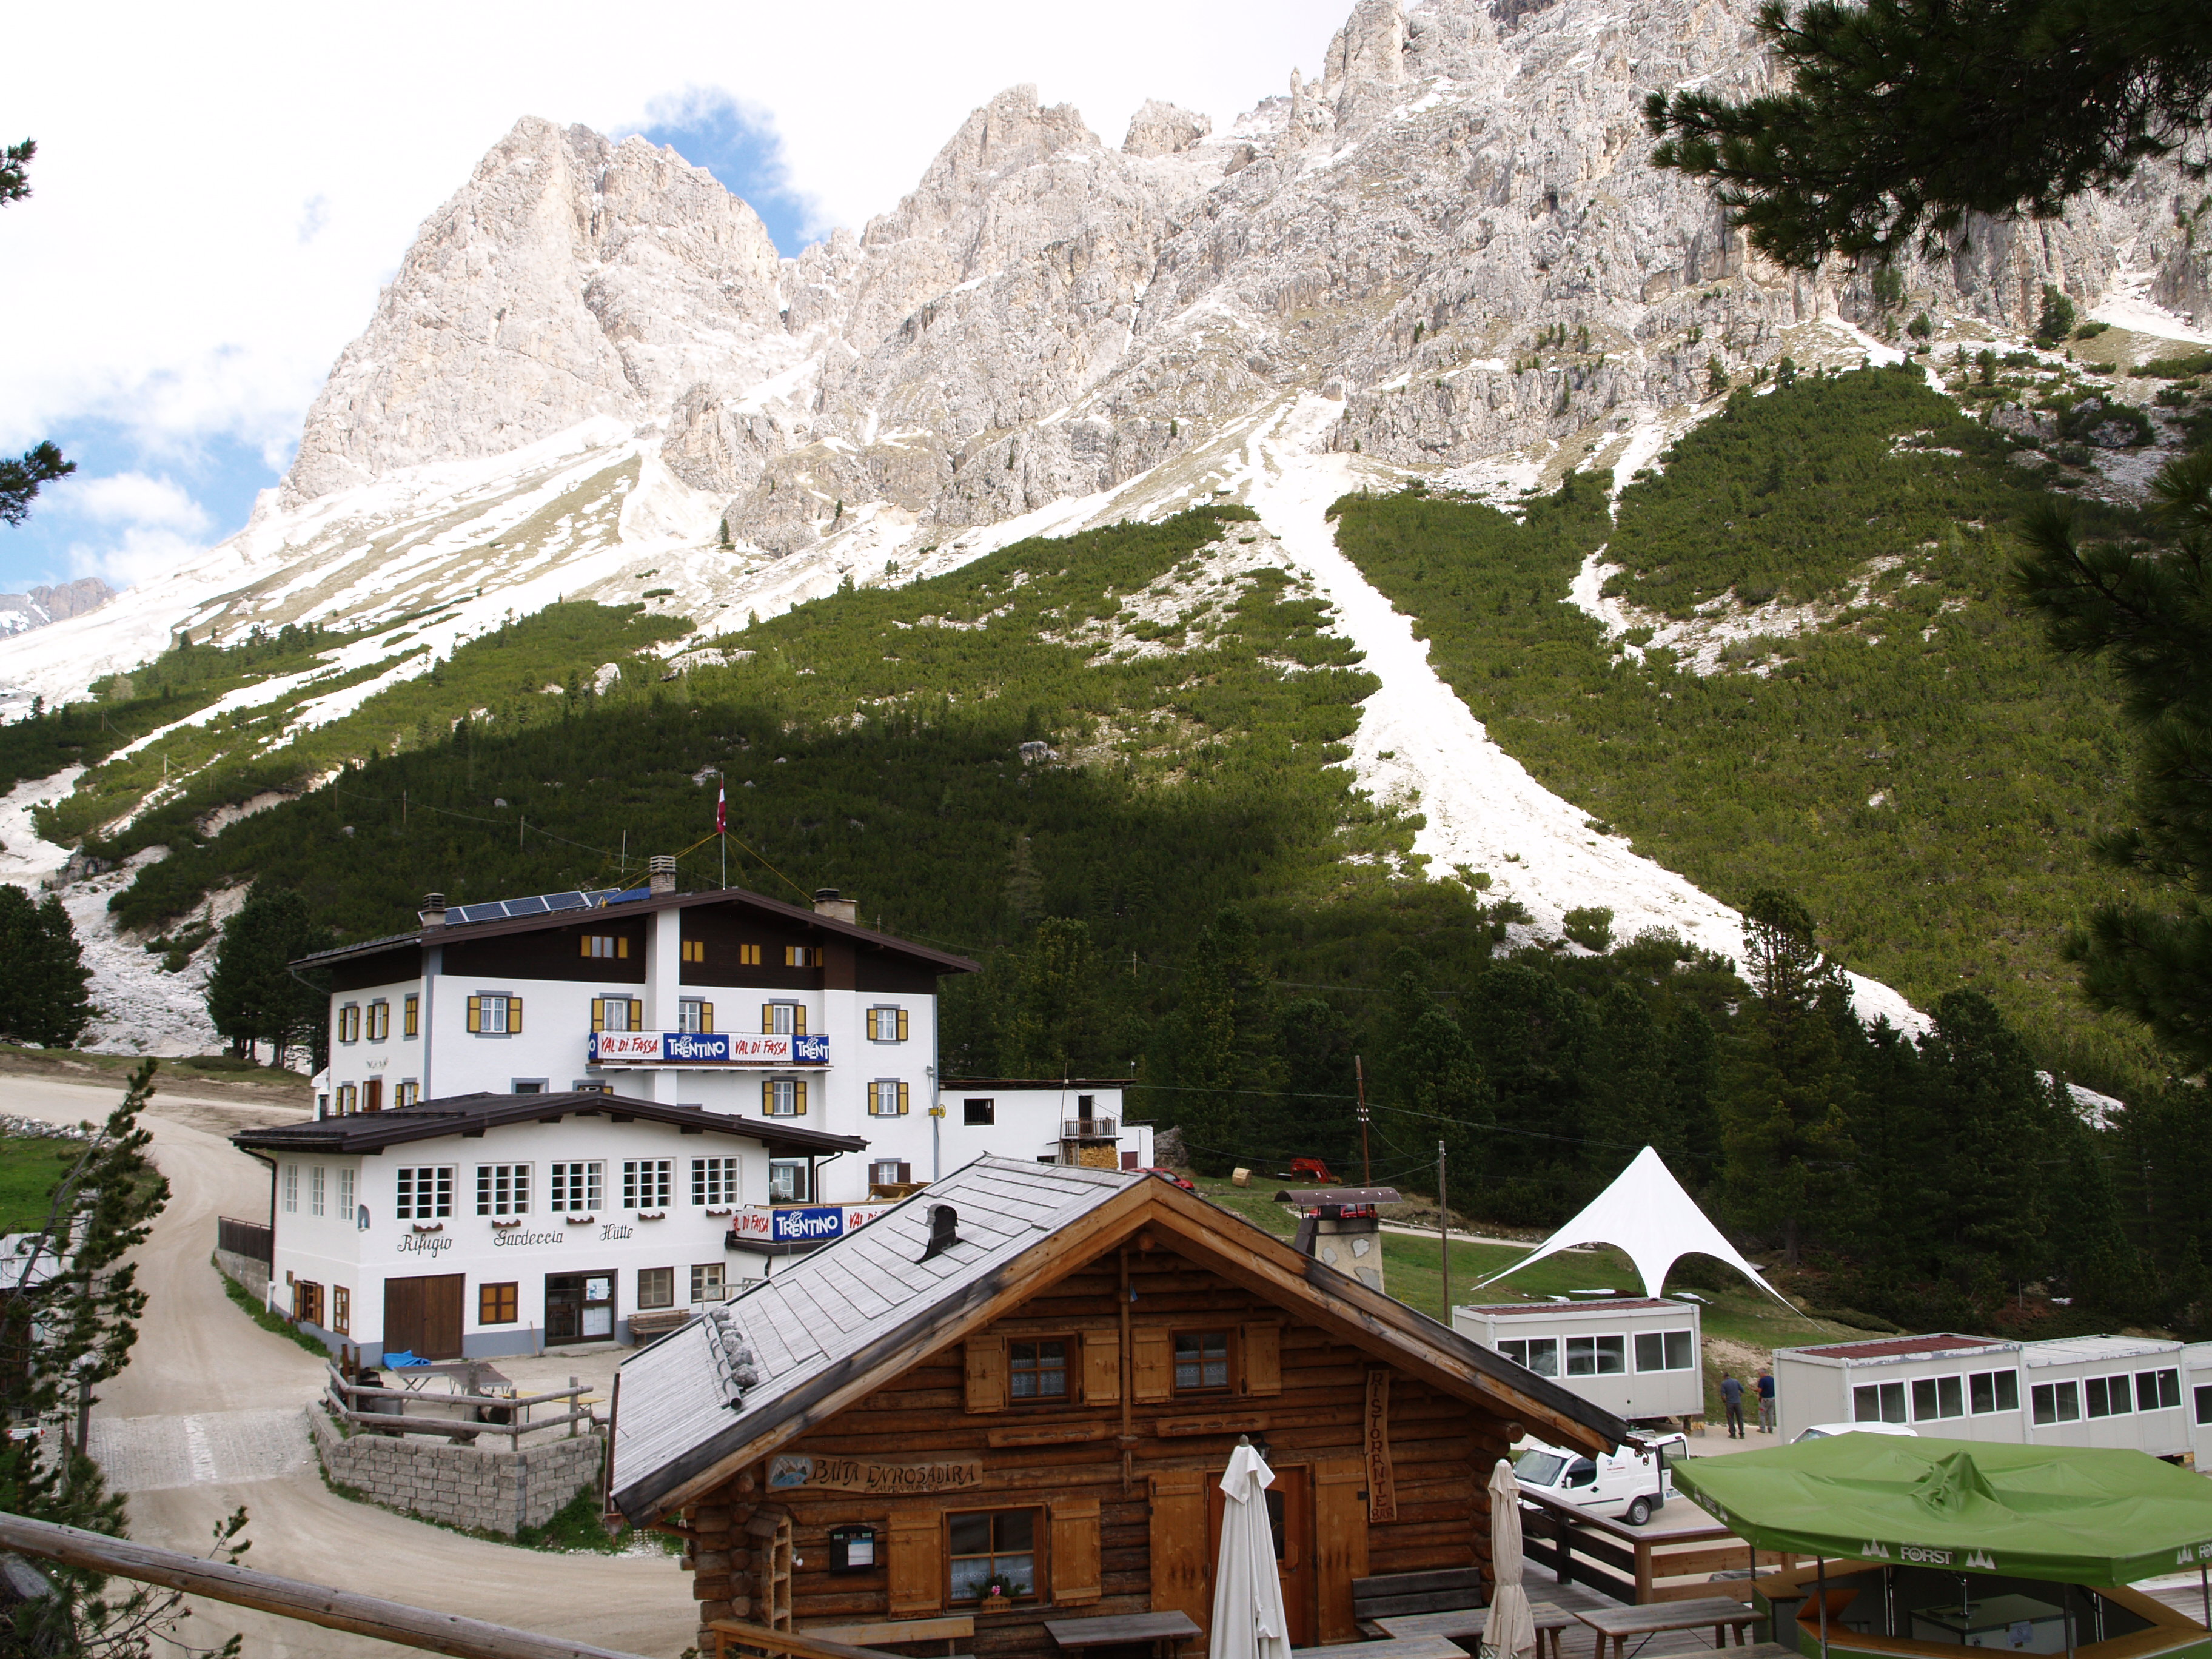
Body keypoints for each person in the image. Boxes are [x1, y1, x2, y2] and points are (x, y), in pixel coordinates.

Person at [1720, 1372, 1745, 1438]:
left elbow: (1723, 1395)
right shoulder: (1736, 1381)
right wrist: (1739, 1396)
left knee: (1730, 1418)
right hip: (1738, 1403)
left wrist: (1725, 1402)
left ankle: (1733, 1434)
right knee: (1740, 1418)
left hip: (1730, 1403)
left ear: (1724, 1377)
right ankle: (1742, 1434)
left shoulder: (1724, 1383)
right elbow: (1743, 1390)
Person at [1757, 1368, 1776, 1433]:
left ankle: (1762, 1428)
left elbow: (1760, 1390)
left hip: (1765, 1399)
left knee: (1762, 1414)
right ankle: (1770, 1428)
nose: (1759, 1375)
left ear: (1762, 1373)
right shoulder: (1772, 1379)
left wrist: (1753, 1389)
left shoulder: (1762, 1380)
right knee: (1771, 1414)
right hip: (1773, 1399)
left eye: (1759, 1374)